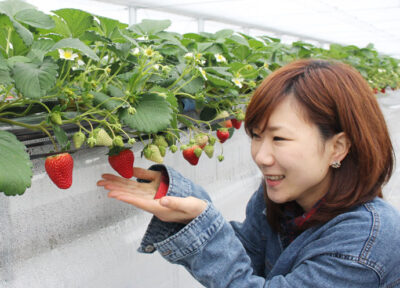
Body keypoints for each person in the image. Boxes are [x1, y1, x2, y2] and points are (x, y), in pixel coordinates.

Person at [97, 59, 400, 287]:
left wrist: (205, 226)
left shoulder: (368, 239)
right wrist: (187, 211)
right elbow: (247, 259)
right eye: (256, 135)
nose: (261, 156)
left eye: (279, 138)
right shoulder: (279, 198)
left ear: (338, 148)